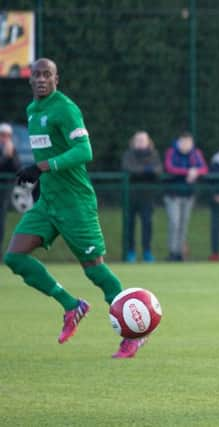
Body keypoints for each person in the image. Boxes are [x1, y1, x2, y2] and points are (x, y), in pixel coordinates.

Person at [3, 58, 148, 358]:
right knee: (15, 257)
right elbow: (51, 148)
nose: (42, 79)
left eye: (48, 75)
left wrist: (42, 167)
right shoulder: (33, 111)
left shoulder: (65, 108)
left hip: (75, 203)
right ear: (30, 80)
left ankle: (135, 334)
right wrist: (44, 179)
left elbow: (84, 151)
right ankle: (72, 306)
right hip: (49, 202)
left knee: (94, 270)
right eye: (37, 75)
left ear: (57, 79)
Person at [163, 131, 208, 261]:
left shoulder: (196, 153)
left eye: (188, 142)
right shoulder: (171, 152)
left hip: (188, 195)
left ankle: (180, 253)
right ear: (178, 142)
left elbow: (204, 168)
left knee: (183, 225)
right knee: (174, 223)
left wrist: (196, 172)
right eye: (183, 142)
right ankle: (172, 252)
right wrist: (188, 171)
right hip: (173, 195)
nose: (186, 144)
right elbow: (169, 168)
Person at [121, 130, 163, 263]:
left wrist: (143, 170)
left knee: (147, 225)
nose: (140, 142)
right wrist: (146, 170)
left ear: (148, 141)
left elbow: (157, 170)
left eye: (143, 140)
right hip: (130, 196)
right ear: (133, 142)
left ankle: (147, 252)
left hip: (147, 196)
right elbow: (129, 168)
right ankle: (130, 252)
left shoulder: (154, 154)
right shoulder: (128, 154)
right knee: (129, 225)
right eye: (138, 140)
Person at [0, 123, 20, 255]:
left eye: (7, 135)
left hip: (4, 190)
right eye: (2, 135)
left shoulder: (12, 150)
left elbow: (16, 169)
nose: (4, 138)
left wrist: (10, 155)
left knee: (1, 218)